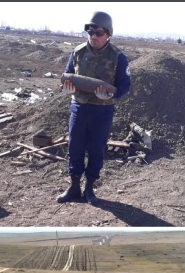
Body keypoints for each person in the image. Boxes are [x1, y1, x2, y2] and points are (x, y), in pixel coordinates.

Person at [58, 11, 131, 205]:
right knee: (75, 147)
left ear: (108, 34)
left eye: (99, 32)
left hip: (102, 111)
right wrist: (66, 88)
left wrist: (111, 94)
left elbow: (125, 85)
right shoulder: (78, 52)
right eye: (90, 31)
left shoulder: (118, 57)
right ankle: (74, 186)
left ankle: (89, 188)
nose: (94, 36)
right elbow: (68, 75)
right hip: (79, 108)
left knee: (97, 149)